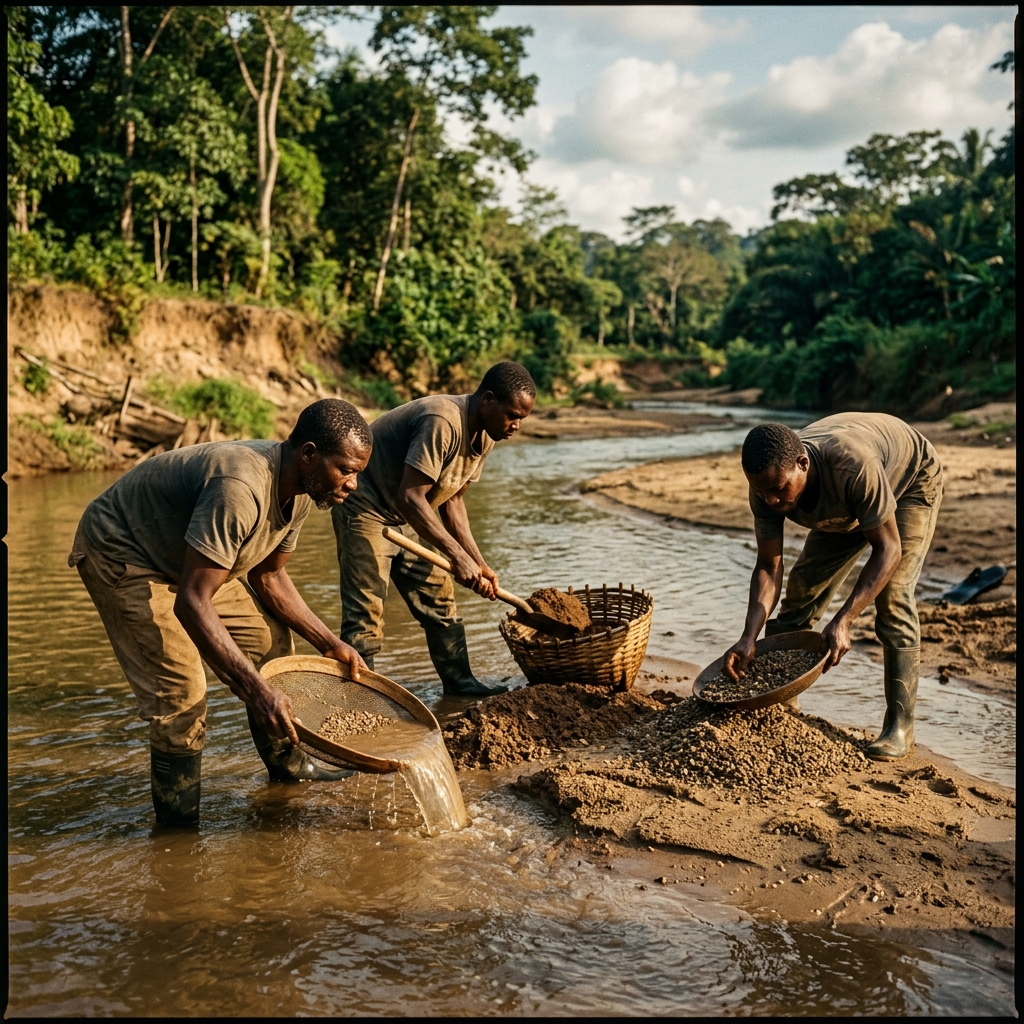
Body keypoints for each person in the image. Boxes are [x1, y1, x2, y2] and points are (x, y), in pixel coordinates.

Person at [69, 399, 373, 825]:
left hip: (191, 560)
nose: (354, 484)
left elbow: (269, 577)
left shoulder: (304, 490)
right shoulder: (241, 488)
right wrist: (254, 689)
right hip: (125, 552)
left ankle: (289, 770)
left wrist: (330, 643)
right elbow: (192, 602)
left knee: (273, 651)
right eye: (347, 470)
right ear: (309, 454)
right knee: (181, 691)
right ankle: (178, 829)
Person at [723, 414, 943, 760]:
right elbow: (768, 566)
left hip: (908, 481)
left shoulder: (851, 467)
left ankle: (900, 727)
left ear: (803, 463)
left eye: (779, 489)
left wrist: (845, 619)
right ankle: (780, 708)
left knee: (892, 598)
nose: (772, 501)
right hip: (848, 505)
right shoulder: (766, 487)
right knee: (801, 596)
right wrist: (749, 636)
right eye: (762, 491)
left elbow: (888, 550)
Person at [331, 361, 536, 697]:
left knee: (440, 602)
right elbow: (411, 496)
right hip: (368, 506)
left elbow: (452, 503)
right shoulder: (441, 421)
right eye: (512, 415)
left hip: (408, 512)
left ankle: (459, 683)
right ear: (487, 400)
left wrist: (477, 561)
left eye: (522, 419)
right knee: (365, 614)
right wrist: (455, 555)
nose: (516, 425)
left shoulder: (485, 437)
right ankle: (359, 699)